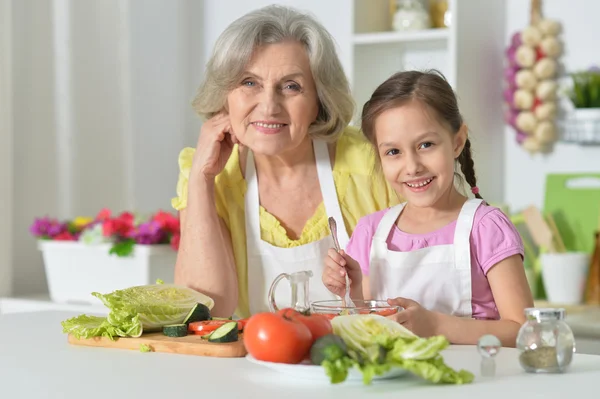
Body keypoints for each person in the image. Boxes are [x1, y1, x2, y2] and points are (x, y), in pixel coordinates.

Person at [171, 5, 399, 319]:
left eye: (291, 86)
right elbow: (206, 309)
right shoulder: (213, 176)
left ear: (320, 99)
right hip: (251, 363)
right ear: (225, 97)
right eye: (249, 83)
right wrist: (201, 180)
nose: (268, 106)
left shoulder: (373, 163)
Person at [322, 70, 534, 347]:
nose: (412, 167)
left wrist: (435, 325)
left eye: (426, 145)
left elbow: (524, 331)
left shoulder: (485, 227)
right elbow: (371, 325)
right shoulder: (370, 231)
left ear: (457, 142)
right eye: (393, 152)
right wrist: (351, 290)